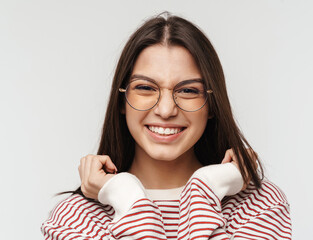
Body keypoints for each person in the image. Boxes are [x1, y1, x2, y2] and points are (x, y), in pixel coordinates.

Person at [42, 12, 291, 239]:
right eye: (146, 88)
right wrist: (126, 196)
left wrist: (204, 188)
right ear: (122, 99)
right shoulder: (74, 220)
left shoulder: (260, 205)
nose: (166, 110)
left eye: (188, 90)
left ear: (212, 105)